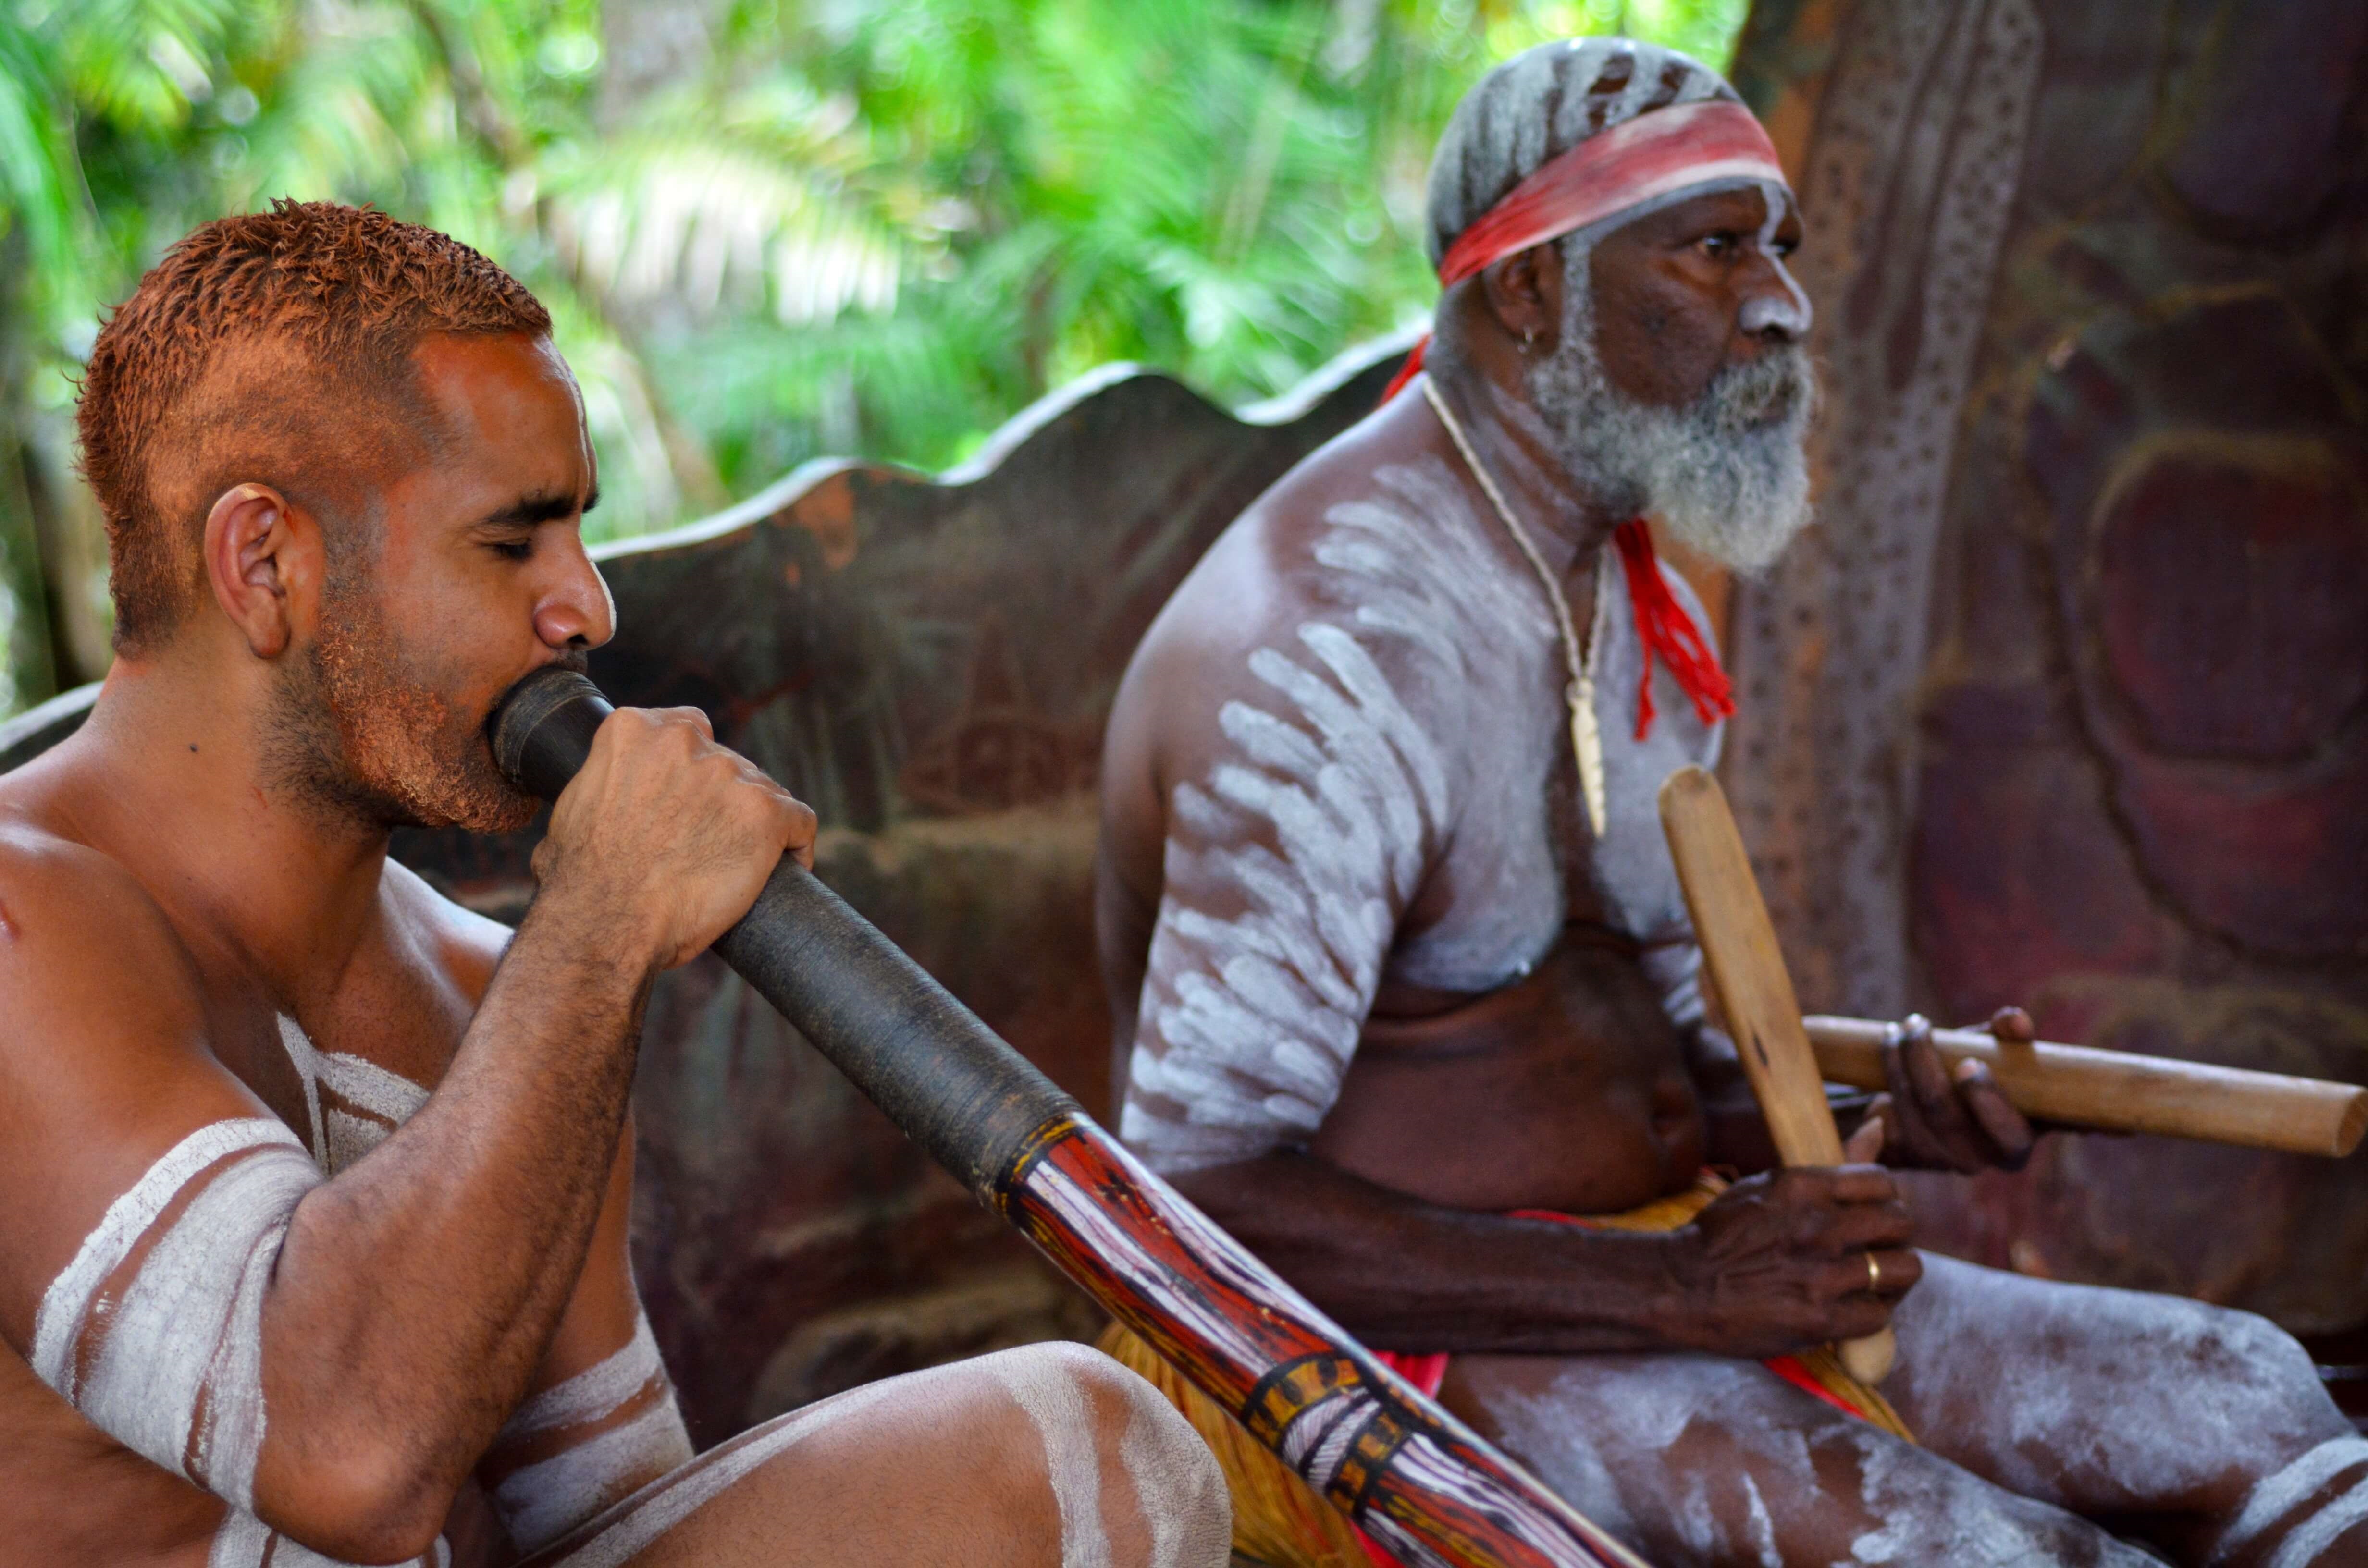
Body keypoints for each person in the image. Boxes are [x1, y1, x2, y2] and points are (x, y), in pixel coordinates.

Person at [1094, 37, 2368, 1568]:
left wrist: (1885, 1112)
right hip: (1352, 1353)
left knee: (2253, 1392)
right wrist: (1685, 1292)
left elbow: (1639, 1066)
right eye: (1714, 249)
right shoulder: (1326, 649)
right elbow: (1192, 1217)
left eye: (1781, 244)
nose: (1784, 302)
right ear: (1527, 293)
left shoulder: (1622, 586)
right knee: (1971, 1554)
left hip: (1652, 1272)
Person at [0, 201, 1231, 1568]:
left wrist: (577, 960)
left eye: (579, 534)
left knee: (1087, 1451)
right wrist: (596, 929)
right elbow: (347, 1458)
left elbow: (609, 1521)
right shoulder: (20, 924)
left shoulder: (488, 996)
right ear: (265, 563)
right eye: (512, 543)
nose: (588, 608)